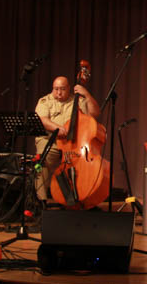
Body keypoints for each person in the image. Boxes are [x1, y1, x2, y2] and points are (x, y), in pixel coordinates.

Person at [34, 76, 101, 204]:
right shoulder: (45, 101)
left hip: (72, 144)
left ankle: (82, 200)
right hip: (51, 142)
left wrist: (86, 94)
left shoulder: (77, 100)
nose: (59, 93)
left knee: (83, 168)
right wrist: (57, 128)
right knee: (41, 163)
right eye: (56, 89)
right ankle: (41, 202)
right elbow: (43, 120)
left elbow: (95, 113)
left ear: (69, 88)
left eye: (62, 89)